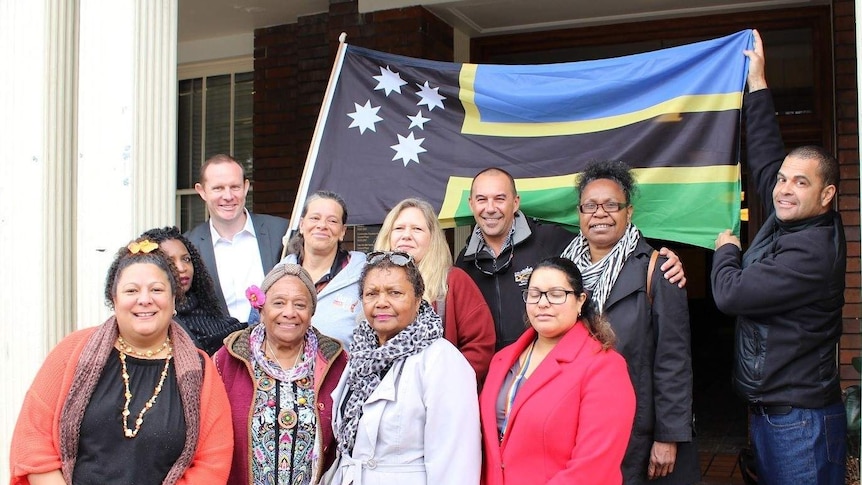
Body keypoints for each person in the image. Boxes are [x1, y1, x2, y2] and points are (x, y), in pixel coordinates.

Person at [711, 30, 846, 485]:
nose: (784, 188)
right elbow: (767, 156)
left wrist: (727, 250)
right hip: (776, 414)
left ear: (826, 195)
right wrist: (758, 83)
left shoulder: (812, 252)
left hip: (801, 422)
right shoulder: (791, 216)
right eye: (784, 180)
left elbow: (731, 294)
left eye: (800, 183)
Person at [10, 237, 233, 484]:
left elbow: (211, 463)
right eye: (131, 290)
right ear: (114, 299)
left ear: (174, 300)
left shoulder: (200, 372)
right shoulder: (72, 351)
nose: (145, 299)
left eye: (157, 290)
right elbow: (33, 441)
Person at [560, 159, 699, 485]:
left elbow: (674, 360)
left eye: (611, 205)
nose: (600, 213)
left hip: (638, 428)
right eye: (590, 206)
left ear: (629, 212)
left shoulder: (658, 269)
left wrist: (668, 436)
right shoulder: (563, 272)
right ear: (579, 214)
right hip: (581, 425)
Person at [455, 167, 688, 350]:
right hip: (491, 379)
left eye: (499, 198)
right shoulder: (463, 264)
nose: (490, 208)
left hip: (548, 370)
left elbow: (604, 243)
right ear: (472, 204)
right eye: (482, 199)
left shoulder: (553, 243)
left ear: (515, 202)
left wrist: (663, 261)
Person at [326, 251, 481, 485]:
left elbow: (456, 462)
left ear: (419, 300)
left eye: (395, 293)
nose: (381, 302)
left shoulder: (442, 360)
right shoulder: (359, 356)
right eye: (371, 293)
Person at [480, 257, 635, 485]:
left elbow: (593, 468)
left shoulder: (604, 367)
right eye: (535, 294)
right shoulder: (502, 359)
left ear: (580, 300)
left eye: (556, 294)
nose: (543, 303)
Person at [214, 262, 347, 485]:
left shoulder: (336, 361)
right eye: (278, 303)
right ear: (261, 309)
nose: (289, 312)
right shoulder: (228, 359)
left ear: (311, 312)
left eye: (300, 304)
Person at [374, 197, 495, 385]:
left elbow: (479, 345)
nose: (406, 235)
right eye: (399, 228)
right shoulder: (371, 285)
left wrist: (448, 385)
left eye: (417, 229)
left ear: (432, 237)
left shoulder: (453, 281)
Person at [186, 153, 290, 321]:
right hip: (216, 346)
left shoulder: (282, 232)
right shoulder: (189, 246)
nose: (228, 196)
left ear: (246, 187)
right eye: (218, 188)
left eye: (234, 187)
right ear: (202, 191)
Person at [142, 226, 245, 354]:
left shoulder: (208, 311)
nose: (181, 268)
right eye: (169, 262)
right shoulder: (149, 320)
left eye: (186, 259)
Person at [281, 191, 364, 346]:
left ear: (342, 232)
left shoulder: (365, 276)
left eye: (332, 221)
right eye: (315, 218)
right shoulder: (277, 276)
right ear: (301, 225)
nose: (322, 225)